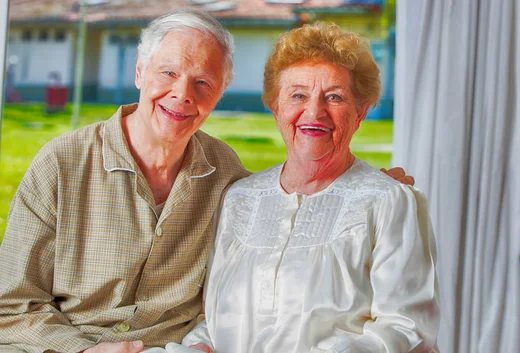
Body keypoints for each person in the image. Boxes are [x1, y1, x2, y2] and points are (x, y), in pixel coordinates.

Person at [0, 10, 412, 353]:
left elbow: (288, 200)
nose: (182, 94)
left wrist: (359, 188)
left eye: (203, 83)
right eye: (168, 72)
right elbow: (11, 306)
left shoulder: (225, 173)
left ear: (220, 92)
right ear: (140, 72)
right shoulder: (62, 163)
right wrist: (83, 349)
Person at [167, 22, 439, 353]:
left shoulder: (390, 202)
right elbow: (217, 321)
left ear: (360, 111)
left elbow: (406, 328)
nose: (314, 111)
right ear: (275, 106)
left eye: (334, 97)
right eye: (298, 95)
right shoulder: (239, 199)